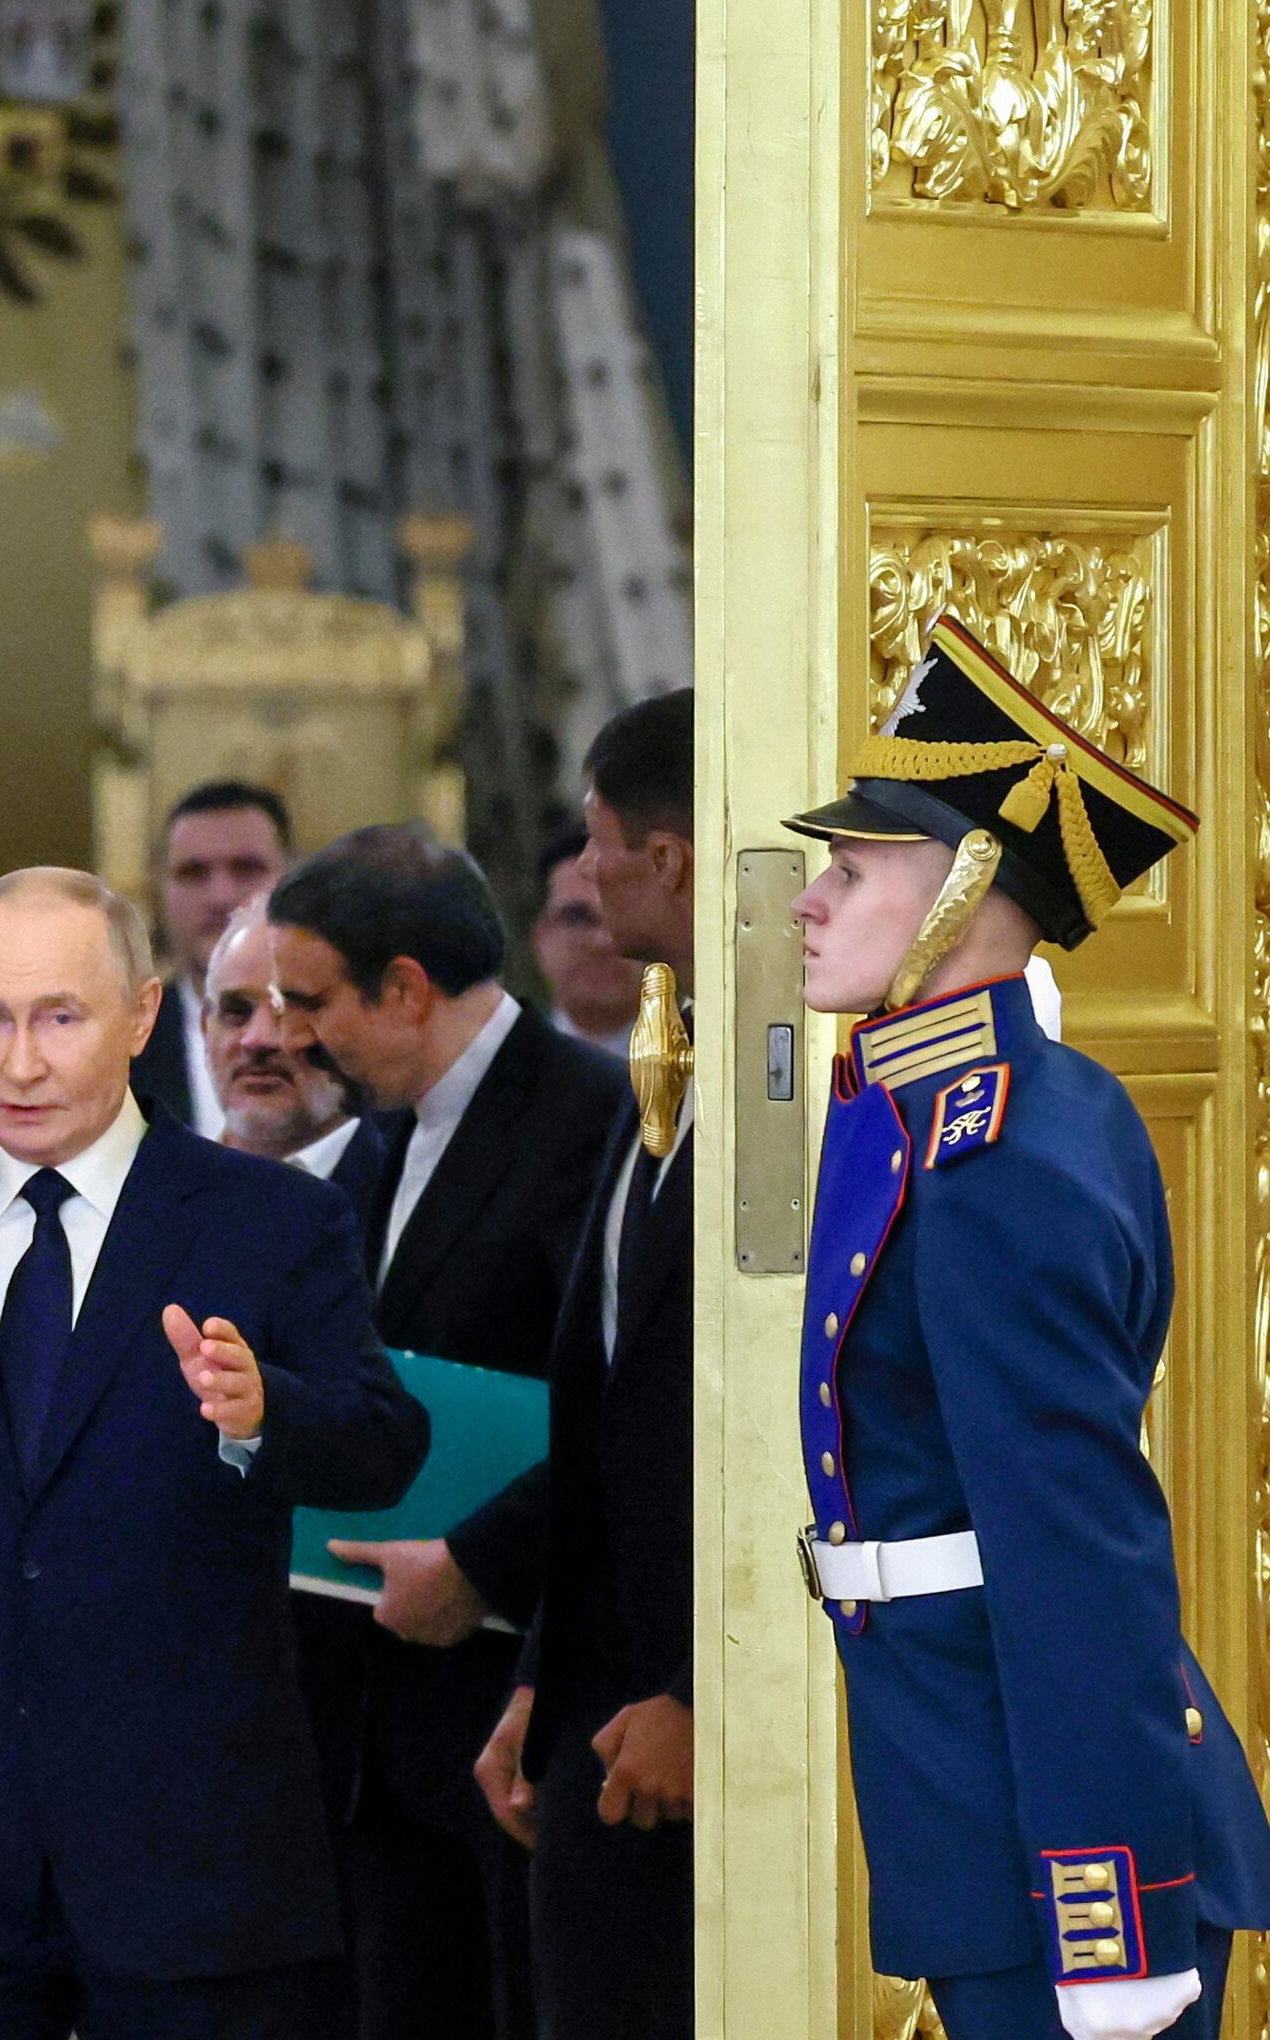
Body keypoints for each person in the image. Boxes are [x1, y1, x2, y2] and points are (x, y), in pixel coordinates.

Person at [0, 866, 427, 2040]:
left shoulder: (268, 1220)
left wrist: (265, 1414)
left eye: (59, 1017)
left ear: (144, 1017)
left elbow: (381, 1446)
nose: (19, 1063)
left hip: (197, 1868)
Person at [781, 617, 1270, 2039]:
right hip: (966, 1774)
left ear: (969, 888)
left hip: (1040, 1825)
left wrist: (1108, 1913)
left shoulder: (999, 1155)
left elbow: (1078, 1546)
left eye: (854, 867)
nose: (813, 901)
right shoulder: (967, 1112)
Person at [254, 830, 630, 2040]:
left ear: (405, 986)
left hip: (520, 1716)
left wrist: (479, 1565)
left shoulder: (597, 1120)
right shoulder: (368, 1146)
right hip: (366, 1740)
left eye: (313, 1003)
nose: (295, 1037)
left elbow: (635, 1405)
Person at [452, 689, 699, 2040]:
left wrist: (702, 1696)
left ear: (662, 858)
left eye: (600, 843)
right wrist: (546, 1675)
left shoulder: (789, 1082)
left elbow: (771, 1425)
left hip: (695, 1725)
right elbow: (604, 1419)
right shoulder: (657, 1069)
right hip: (599, 1707)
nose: (583, 872)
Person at [126, 779, 294, 1138]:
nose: (220, 896)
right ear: (158, 892)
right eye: (193, 873)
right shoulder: (117, 1055)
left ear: (292, 880)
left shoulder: (351, 1044)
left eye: (246, 869)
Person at [200, 902, 364, 1178]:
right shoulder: (149, 1194)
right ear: (205, 1030)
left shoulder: (406, 1184)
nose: (257, 1040)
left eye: (291, 1009)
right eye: (237, 1012)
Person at [528, 823, 636, 1048]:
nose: (602, 942)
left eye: (624, 917)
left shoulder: (712, 1072)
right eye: (578, 918)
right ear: (540, 939)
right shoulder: (498, 1075)